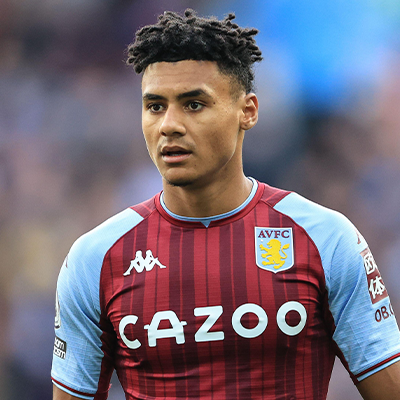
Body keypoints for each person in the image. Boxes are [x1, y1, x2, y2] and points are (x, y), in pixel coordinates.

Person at [51, 9, 400, 400]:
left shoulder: (326, 240)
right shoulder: (95, 259)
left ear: (247, 111)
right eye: (155, 106)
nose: (169, 125)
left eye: (194, 104)